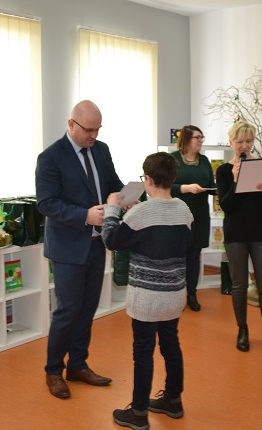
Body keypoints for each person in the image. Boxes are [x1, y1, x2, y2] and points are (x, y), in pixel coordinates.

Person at [35, 100, 124, 399]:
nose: (93, 136)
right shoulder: (50, 157)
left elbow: (112, 184)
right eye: (88, 130)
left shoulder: (101, 150)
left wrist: (125, 198)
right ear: (71, 124)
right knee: (67, 311)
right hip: (68, 247)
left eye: (98, 130)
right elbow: (46, 203)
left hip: (97, 244)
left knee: (87, 309)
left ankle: (77, 365)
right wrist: (84, 216)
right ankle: (53, 371)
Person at [102, 152, 193, 430]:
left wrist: (112, 209)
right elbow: (172, 238)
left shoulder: (140, 214)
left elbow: (111, 240)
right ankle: (173, 401)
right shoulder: (184, 210)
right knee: (171, 346)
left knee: (143, 353)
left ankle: (139, 413)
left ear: (148, 179)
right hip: (174, 295)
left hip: (147, 298)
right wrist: (139, 211)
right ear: (172, 178)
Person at [216, 121, 262, 353]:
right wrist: (236, 181)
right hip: (236, 233)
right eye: (240, 141)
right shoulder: (224, 171)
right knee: (239, 285)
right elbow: (226, 206)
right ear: (231, 142)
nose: (244, 145)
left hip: (261, 232)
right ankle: (242, 330)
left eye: (248, 141)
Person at [170, 125, 216, 311]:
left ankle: (191, 294)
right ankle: (175, 295)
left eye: (202, 137)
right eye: (197, 137)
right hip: (177, 216)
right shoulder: (172, 159)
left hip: (200, 216)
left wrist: (223, 186)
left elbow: (211, 185)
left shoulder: (204, 160)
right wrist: (187, 188)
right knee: (176, 258)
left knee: (194, 257)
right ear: (186, 139)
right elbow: (165, 187)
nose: (200, 141)